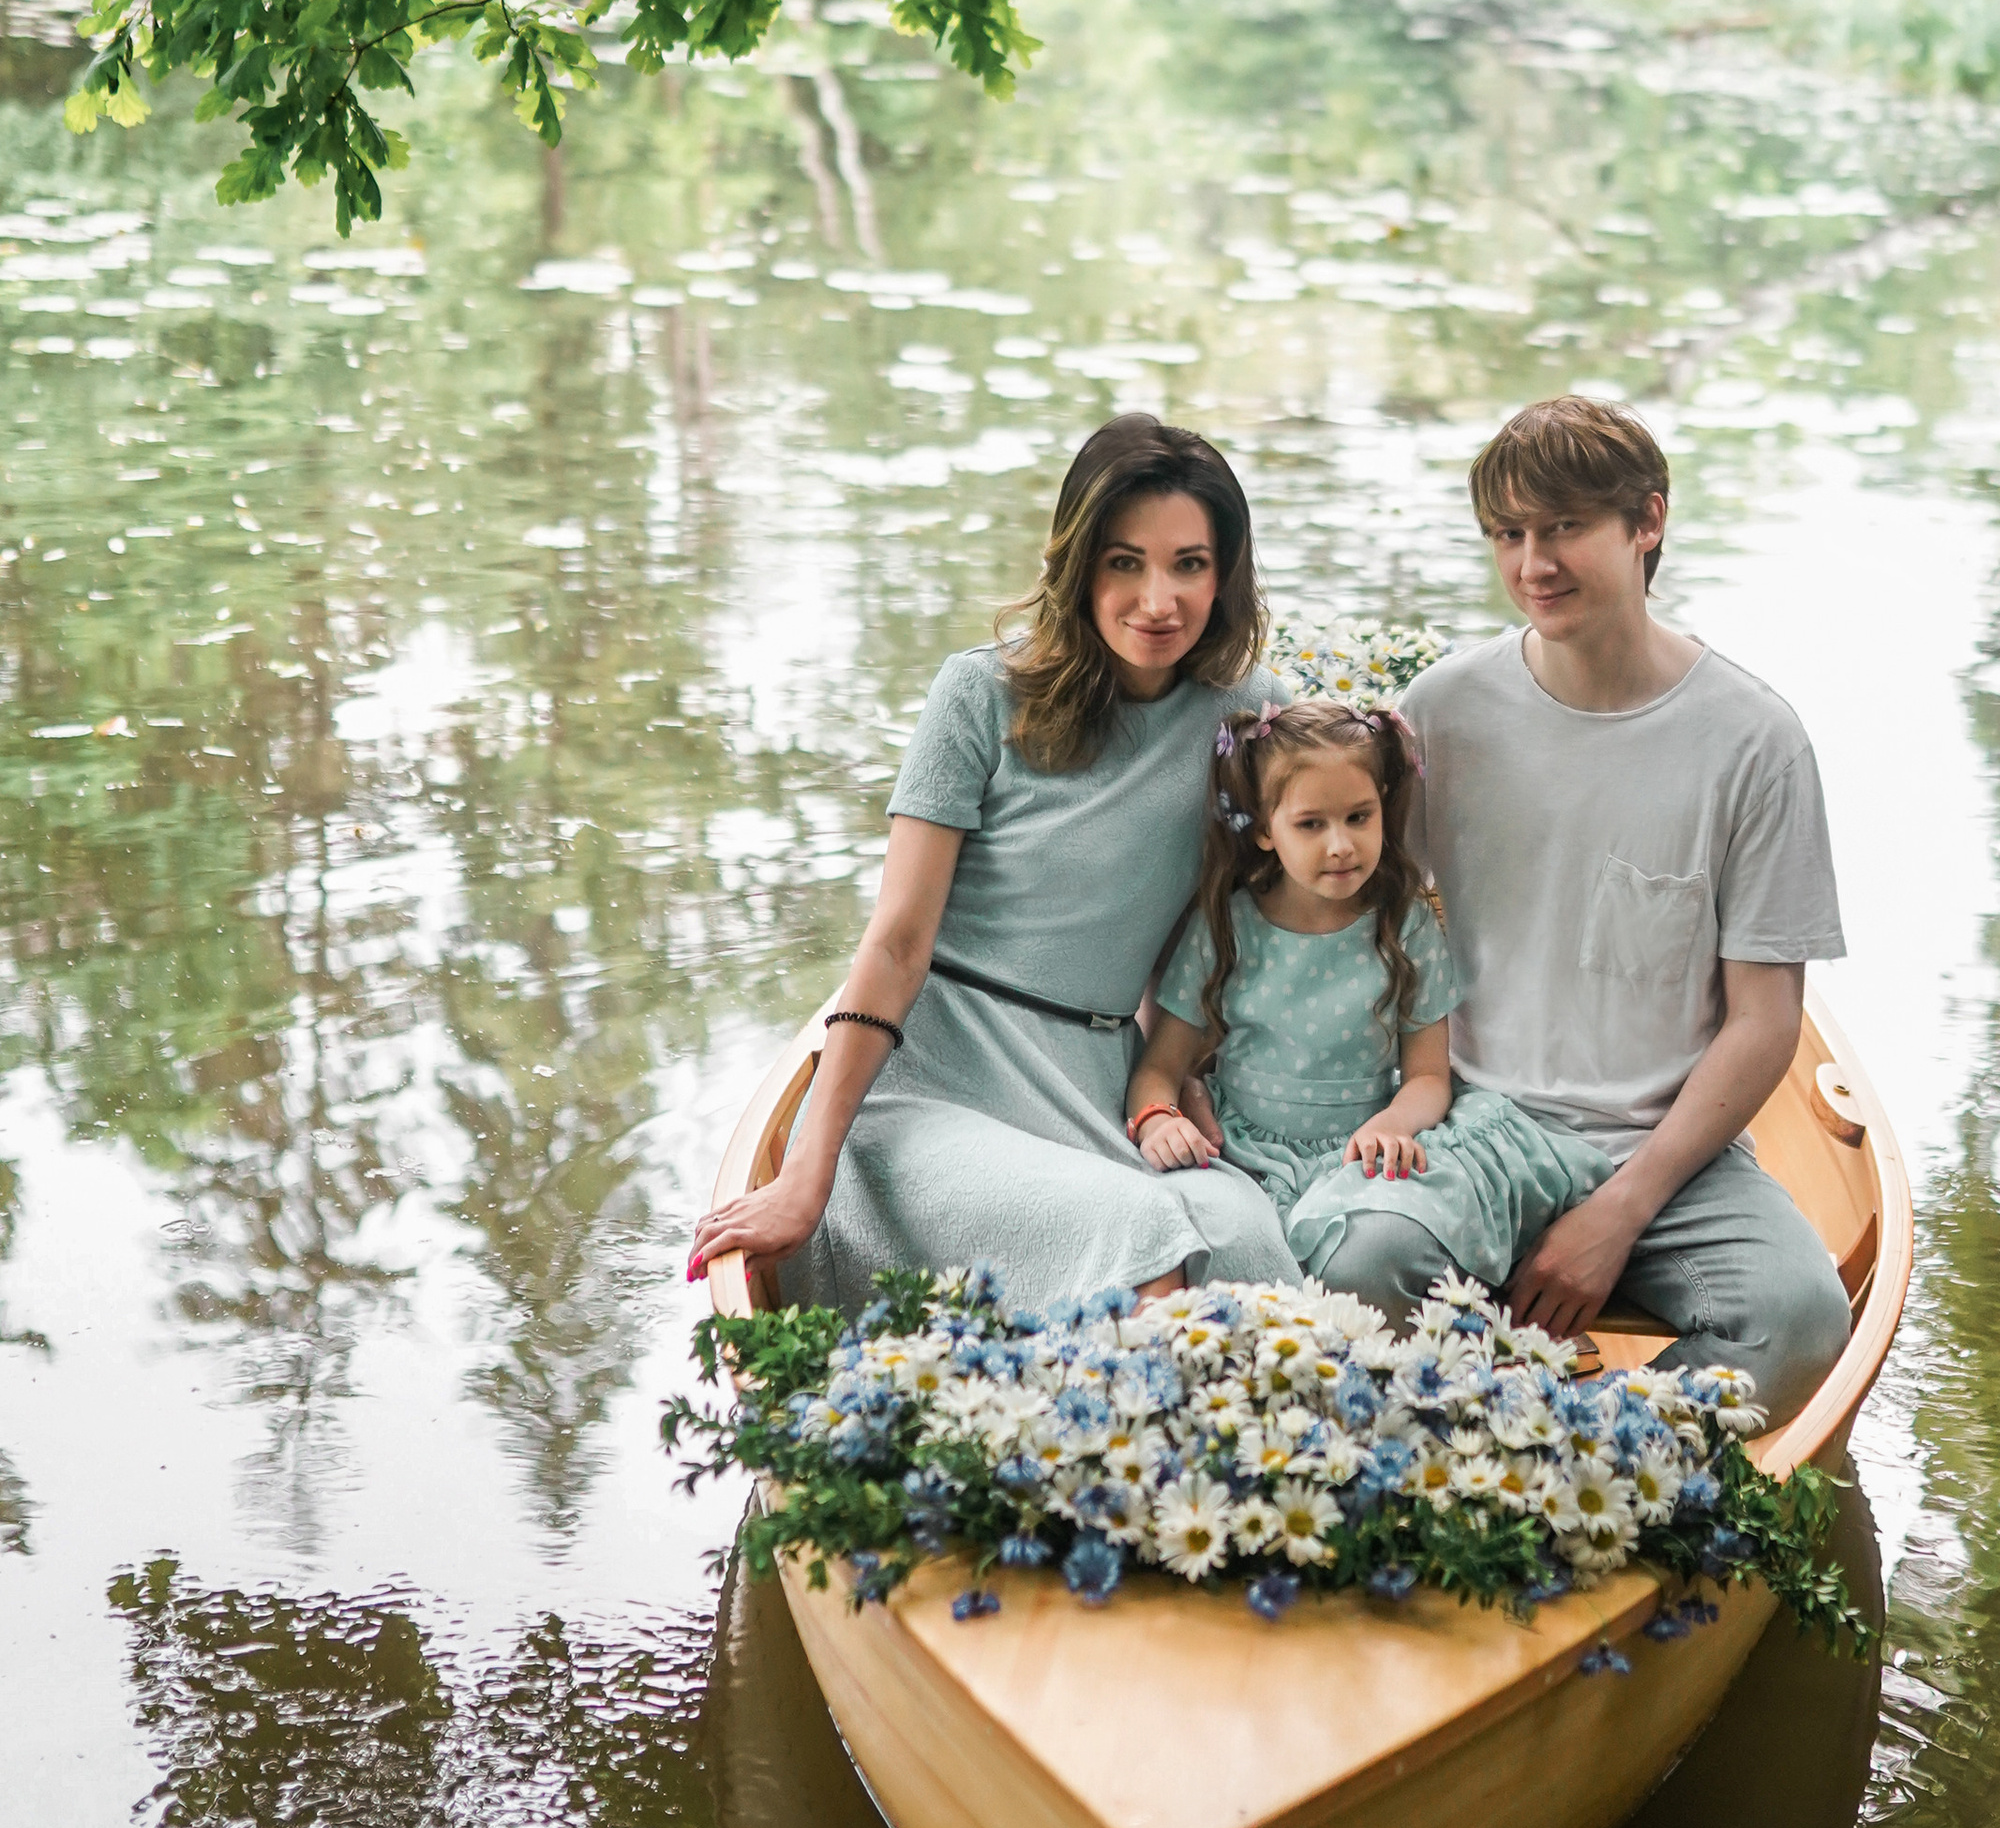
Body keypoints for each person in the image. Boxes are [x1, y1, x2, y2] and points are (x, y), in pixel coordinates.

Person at [1306, 395, 1853, 1426]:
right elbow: (1349, 930)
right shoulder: (1443, 713)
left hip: (1669, 1156)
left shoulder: (1753, 741)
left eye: (1562, 528)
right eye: (1507, 535)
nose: (1532, 566)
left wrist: (1621, 1210)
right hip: (1477, 1128)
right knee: (1357, 1258)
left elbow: (1764, 1022)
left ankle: (1582, 1460)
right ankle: (1485, 1424)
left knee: (1799, 1318)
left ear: (1645, 522)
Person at [686, 415, 1292, 1317]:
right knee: (1132, 1235)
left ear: (1225, 573)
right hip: (932, 1080)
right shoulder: (977, 694)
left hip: (1100, 1085)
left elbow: (1224, 930)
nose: (1157, 599)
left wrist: (1178, 1072)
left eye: (1188, 565)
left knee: (1244, 1236)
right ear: (1077, 562)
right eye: (1124, 562)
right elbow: (894, 945)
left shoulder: (1249, 715)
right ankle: (1104, 1452)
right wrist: (803, 1178)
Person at [1123, 700, 1590, 1285]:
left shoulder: (1402, 923)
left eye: (1358, 817)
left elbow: (1427, 1077)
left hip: (1364, 1144)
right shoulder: (1227, 924)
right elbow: (1158, 1068)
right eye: (1311, 824)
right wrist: (1159, 1119)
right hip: (1242, 1150)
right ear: (1266, 829)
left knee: (1371, 1253)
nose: (1341, 845)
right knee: (1201, 1249)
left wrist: (1394, 1124)